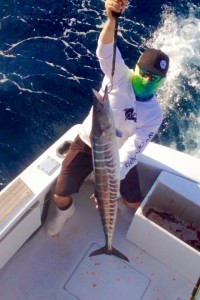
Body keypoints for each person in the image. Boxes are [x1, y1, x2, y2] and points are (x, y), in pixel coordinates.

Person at [47, 0, 169, 236]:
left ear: (161, 81)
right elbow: (105, 48)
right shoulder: (118, 75)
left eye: (154, 78)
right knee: (59, 194)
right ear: (136, 67)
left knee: (134, 203)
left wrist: (110, 183)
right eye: (144, 73)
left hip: (117, 156)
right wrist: (112, 20)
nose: (147, 80)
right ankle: (65, 213)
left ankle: (121, 208)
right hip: (88, 142)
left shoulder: (154, 115)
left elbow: (133, 149)